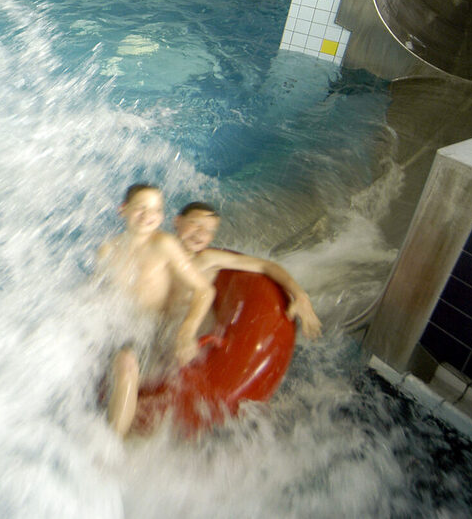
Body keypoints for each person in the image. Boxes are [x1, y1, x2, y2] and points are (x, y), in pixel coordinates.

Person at [97, 184, 214, 438]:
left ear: (162, 217)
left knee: (126, 363)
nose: (148, 215)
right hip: (119, 325)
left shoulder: (164, 245)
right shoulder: (107, 251)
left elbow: (205, 290)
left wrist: (187, 331)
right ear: (123, 210)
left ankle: (108, 449)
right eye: (141, 208)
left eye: (156, 210)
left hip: (150, 328)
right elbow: (97, 297)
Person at [174, 202, 322, 339]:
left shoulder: (209, 259)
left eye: (209, 230)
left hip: (191, 332)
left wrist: (300, 296)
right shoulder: (159, 249)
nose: (201, 234)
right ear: (177, 221)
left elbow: (266, 266)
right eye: (195, 223)